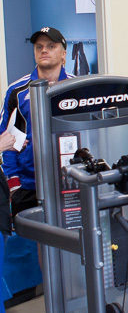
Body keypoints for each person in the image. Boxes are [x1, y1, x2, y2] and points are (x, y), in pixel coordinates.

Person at [1, 27, 73, 222]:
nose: (44, 50)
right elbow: (6, 138)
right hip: (27, 186)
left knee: (70, 238)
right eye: (39, 47)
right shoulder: (17, 91)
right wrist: (14, 183)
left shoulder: (78, 87)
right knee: (29, 239)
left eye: (51, 46)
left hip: (69, 182)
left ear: (63, 53)